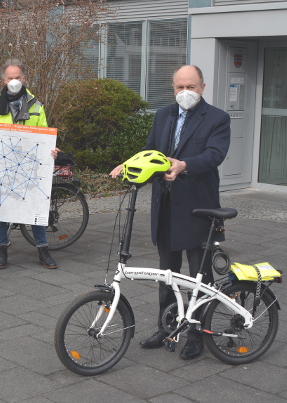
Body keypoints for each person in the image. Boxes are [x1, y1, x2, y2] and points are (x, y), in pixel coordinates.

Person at [110, 65, 230, 360]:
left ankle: (196, 334)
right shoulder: (163, 115)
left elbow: (214, 154)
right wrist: (127, 166)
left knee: (198, 277)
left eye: (191, 86)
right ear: (173, 88)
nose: (185, 92)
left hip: (198, 207)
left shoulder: (217, 118)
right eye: (179, 87)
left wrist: (183, 165)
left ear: (202, 86)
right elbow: (150, 150)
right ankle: (168, 326)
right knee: (167, 274)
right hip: (164, 207)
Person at [0, 59, 60, 270]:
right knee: (1, 208)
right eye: (10, 78)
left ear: (24, 78)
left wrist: (51, 149)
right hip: (3, 164)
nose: (14, 81)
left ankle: (43, 249)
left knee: (35, 207)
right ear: (3, 79)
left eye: (17, 78)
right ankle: (1, 249)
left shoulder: (36, 106)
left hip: (29, 165)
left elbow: (44, 133)